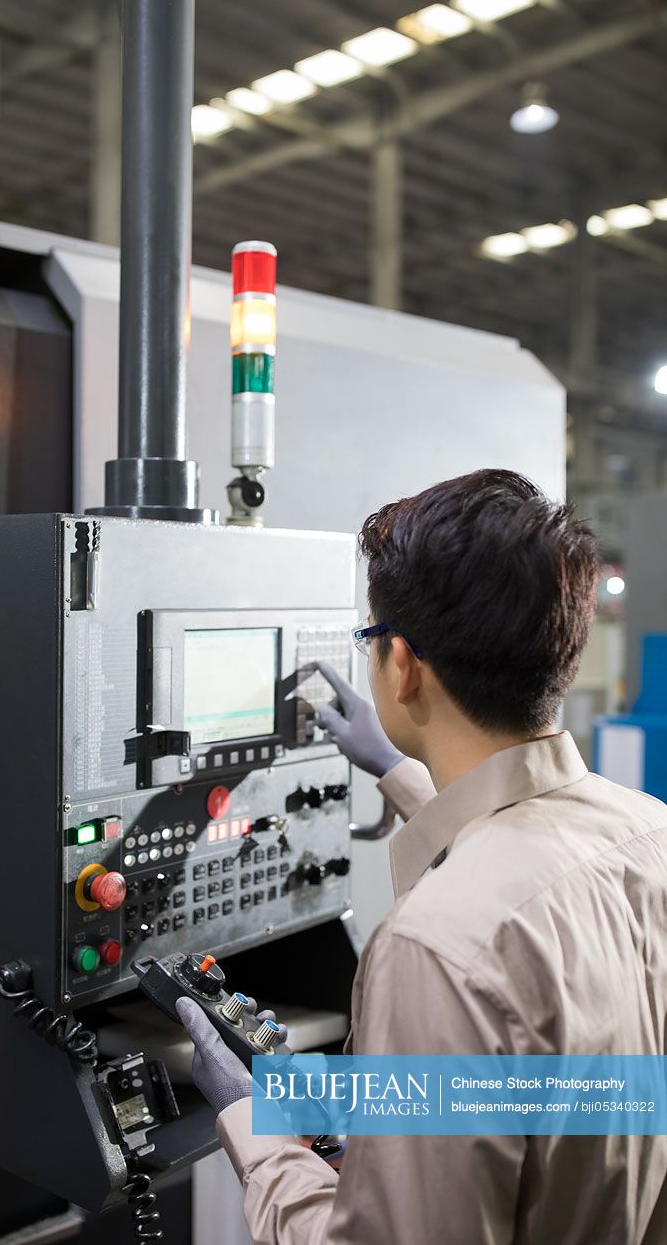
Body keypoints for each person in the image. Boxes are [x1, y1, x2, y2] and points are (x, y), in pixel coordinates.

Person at [177, 469, 667, 1244]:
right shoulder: (648, 832)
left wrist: (254, 1127)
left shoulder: (436, 945)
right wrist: (400, 769)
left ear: (400, 665)